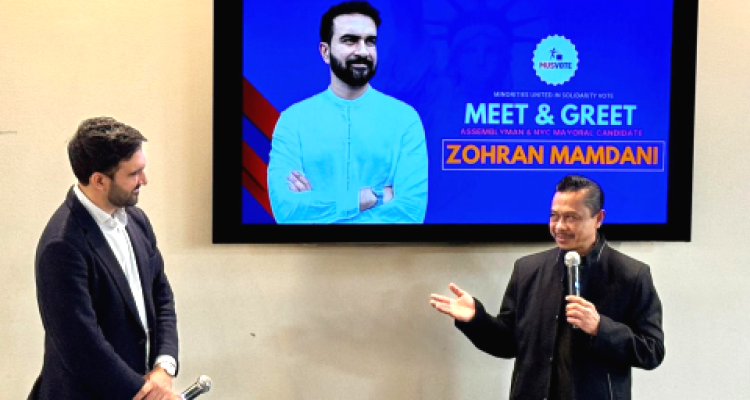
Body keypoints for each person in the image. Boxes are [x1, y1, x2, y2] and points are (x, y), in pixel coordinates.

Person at [430, 175, 665, 400]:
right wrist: (476, 319)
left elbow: (652, 351)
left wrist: (600, 328)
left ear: (598, 218)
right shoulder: (527, 270)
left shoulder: (631, 275)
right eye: (554, 216)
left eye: (571, 217)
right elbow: (507, 343)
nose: (559, 226)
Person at [29, 117, 180, 400]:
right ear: (99, 180)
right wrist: (143, 392)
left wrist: (164, 367)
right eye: (134, 173)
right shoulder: (61, 245)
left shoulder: (137, 221)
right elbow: (81, 345)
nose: (144, 181)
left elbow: (161, 296)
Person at [267, 0, 428, 224]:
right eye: (350, 40)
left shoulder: (405, 119)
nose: (362, 51)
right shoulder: (292, 121)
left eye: (370, 41)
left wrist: (317, 208)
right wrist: (370, 198)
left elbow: (410, 213)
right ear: (325, 52)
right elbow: (287, 211)